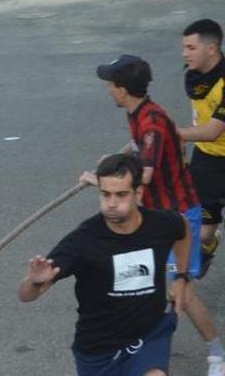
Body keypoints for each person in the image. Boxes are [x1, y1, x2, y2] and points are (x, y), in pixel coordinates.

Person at [93, 54, 225, 372]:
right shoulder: (141, 112)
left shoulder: (150, 122)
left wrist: (99, 179)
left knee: (185, 291)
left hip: (177, 217)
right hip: (155, 212)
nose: (109, 90)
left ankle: (217, 355)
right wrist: (116, 156)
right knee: (145, 278)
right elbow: (137, 145)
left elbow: (146, 174)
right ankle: (144, 342)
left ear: (123, 89)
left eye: (112, 84)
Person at [19, 153, 193, 376]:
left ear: (138, 192)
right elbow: (26, 296)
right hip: (98, 348)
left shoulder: (161, 224)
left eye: (121, 195)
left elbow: (183, 229)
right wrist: (33, 282)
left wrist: (181, 276)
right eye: (105, 194)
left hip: (150, 334)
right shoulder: (83, 240)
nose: (111, 204)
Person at [177, 19, 225, 277]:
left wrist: (173, 134)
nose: (185, 53)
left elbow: (214, 130)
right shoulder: (194, 76)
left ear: (212, 48)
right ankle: (211, 243)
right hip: (208, 160)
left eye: (191, 47)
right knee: (204, 231)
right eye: (184, 47)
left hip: (214, 144)